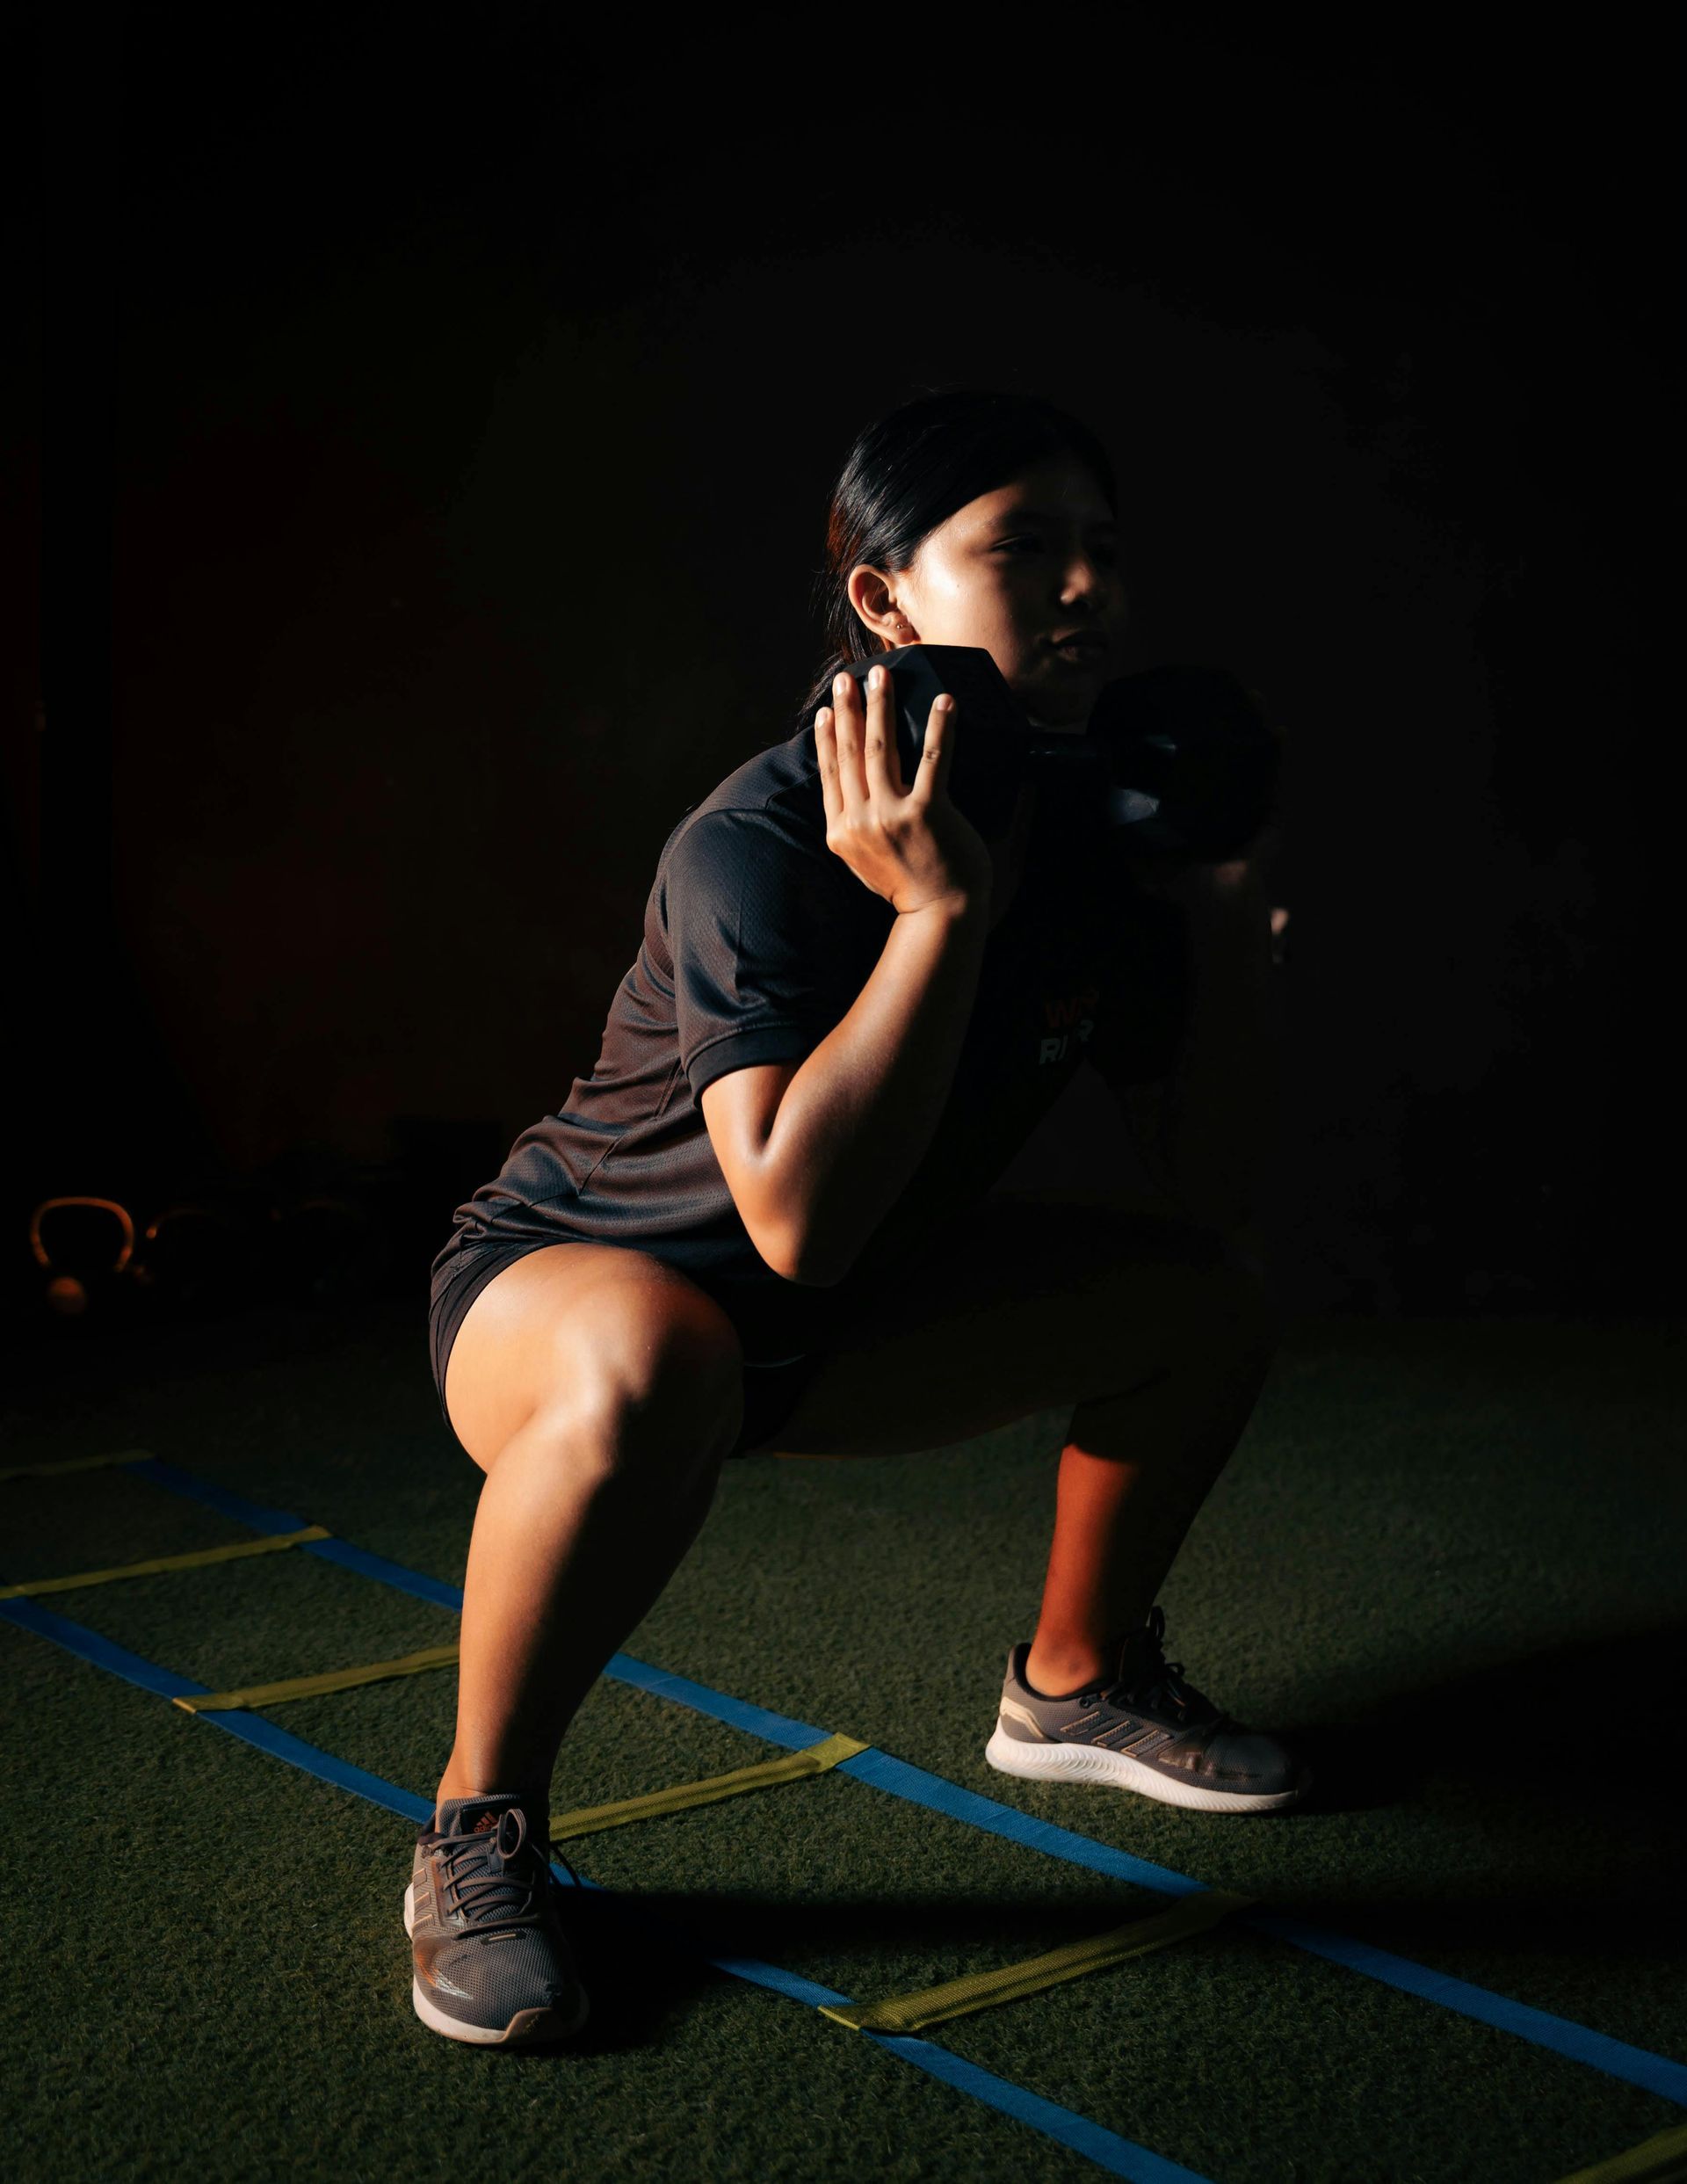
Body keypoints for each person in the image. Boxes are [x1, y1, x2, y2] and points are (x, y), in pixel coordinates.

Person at [409, 387, 1307, 2049]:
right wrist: (939, 913)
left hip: (826, 1320)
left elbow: (1215, 1186)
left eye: (1103, 550)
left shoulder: (1091, 854)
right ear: (886, 600)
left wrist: (1222, 916)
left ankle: (1077, 1681)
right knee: (659, 1350)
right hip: (570, 1295)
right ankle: (478, 1829)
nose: (1086, 588)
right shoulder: (755, 840)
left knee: (1205, 1297)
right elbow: (796, 1226)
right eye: (1025, 548)